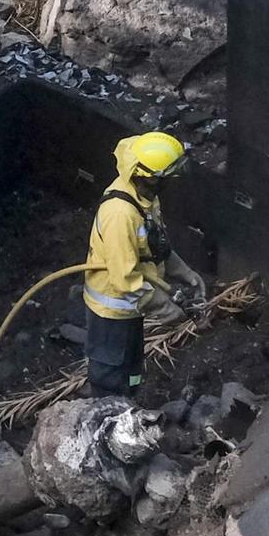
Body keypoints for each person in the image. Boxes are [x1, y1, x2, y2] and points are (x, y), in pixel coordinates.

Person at [83, 133, 206, 395]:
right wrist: (168, 310)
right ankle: (107, 412)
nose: (174, 180)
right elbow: (126, 280)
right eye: (169, 175)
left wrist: (184, 273)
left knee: (132, 369)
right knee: (110, 374)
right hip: (112, 313)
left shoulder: (147, 198)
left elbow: (155, 245)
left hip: (133, 309)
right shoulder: (120, 214)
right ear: (149, 175)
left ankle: (130, 400)